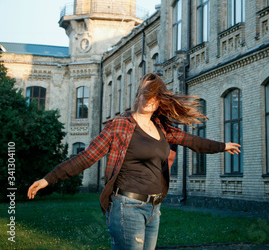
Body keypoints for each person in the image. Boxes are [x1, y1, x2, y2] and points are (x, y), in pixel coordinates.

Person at [28, 73, 241, 250]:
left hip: (154, 208)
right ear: (137, 97)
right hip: (127, 207)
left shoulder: (162, 128)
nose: (148, 99)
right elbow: (87, 156)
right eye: (144, 94)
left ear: (159, 101)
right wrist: (48, 179)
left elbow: (192, 141)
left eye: (154, 95)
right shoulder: (120, 126)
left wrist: (222, 146)